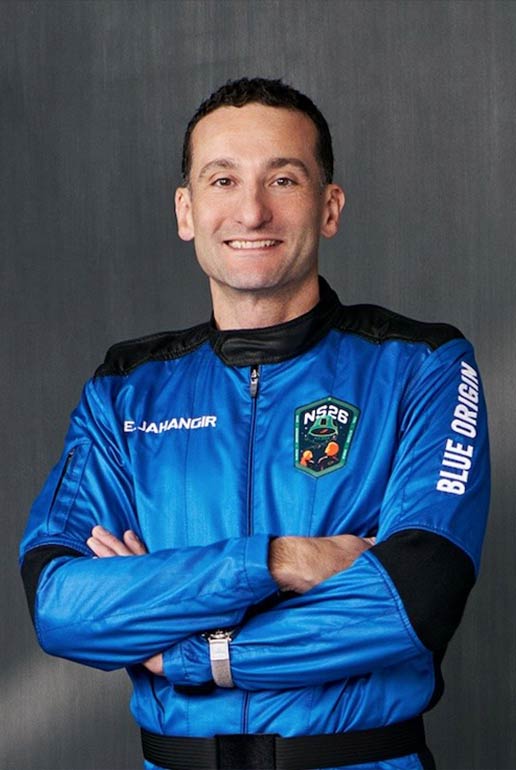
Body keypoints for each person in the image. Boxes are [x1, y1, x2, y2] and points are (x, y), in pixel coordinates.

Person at [20, 78, 490, 770]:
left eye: (284, 179)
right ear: (186, 211)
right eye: (223, 180)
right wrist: (277, 560)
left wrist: (187, 648)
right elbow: (61, 606)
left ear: (329, 208)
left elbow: (410, 603)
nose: (251, 210)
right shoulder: (124, 392)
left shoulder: (423, 366)